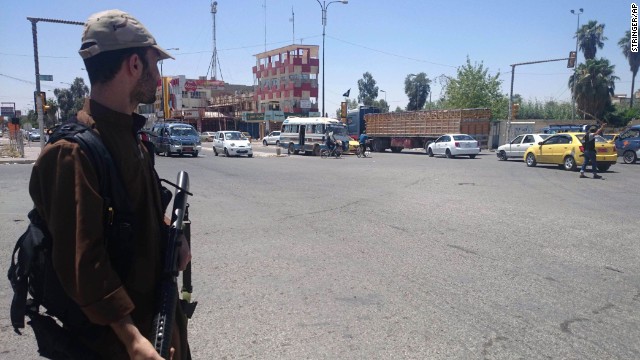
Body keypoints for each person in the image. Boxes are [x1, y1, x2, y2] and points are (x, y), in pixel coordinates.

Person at [28, 9, 191, 359]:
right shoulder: (72, 153)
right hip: (117, 346)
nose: (158, 76)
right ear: (134, 65)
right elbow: (84, 263)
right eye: (154, 64)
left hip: (157, 323)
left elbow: (134, 217)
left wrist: (171, 237)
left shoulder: (132, 137)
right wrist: (132, 339)